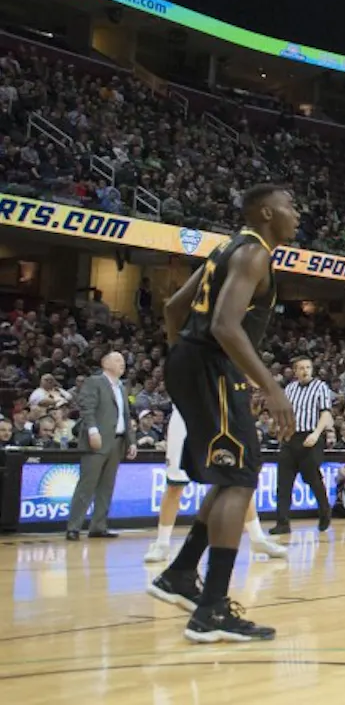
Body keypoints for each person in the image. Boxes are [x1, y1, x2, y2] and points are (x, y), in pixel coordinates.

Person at [149, 185, 299, 644]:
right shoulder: (254, 254)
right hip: (212, 364)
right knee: (240, 479)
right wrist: (271, 387)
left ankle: (180, 574)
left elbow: (175, 308)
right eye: (291, 207)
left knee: (229, 476)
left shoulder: (223, 249)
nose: (298, 214)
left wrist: (185, 360)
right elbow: (224, 325)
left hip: (191, 362)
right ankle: (212, 610)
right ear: (267, 212)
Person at [144, 404, 288, 563]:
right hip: (186, 416)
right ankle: (162, 543)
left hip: (222, 416)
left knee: (238, 483)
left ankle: (258, 539)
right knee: (175, 485)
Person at [64, 352, 137, 540]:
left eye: (123, 360)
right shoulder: (94, 381)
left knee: (107, 486)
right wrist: (92, 431)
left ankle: (98, 526)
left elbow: (126, 417)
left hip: (118, 440)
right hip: (98, 439)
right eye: (117, 360)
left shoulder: (121, 387)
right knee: (87, 485)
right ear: (105, 363)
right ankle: (74, 526)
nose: (122, 363)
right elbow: (86, 407)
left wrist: (132, 441)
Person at [269, 357, 334, 535]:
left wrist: (316, 433)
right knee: (283, 482)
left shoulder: (320, 387)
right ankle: (282, 523)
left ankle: (324, 511)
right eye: (301, 368)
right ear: (295, 371)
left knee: (311, 477)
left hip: (311, 437)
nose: (305, 371)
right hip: (290, 437)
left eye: (308, 367)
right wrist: (277, 427)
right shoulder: (289, 388)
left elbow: (326, 414)